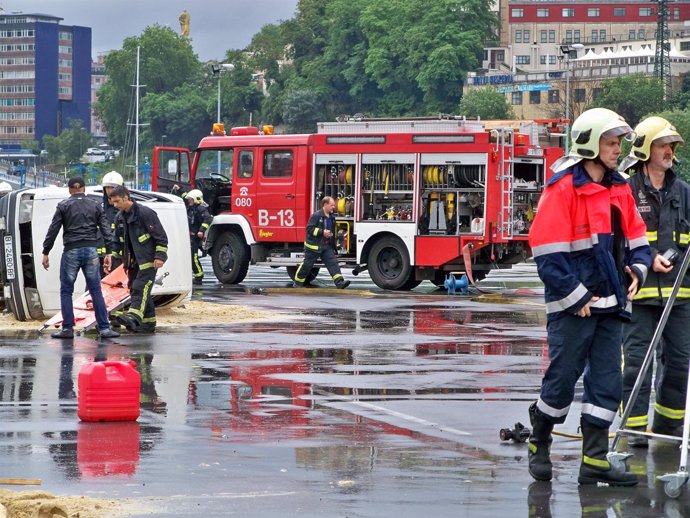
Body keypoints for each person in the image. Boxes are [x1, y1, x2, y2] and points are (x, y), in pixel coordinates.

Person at [526, 108, 651, 486]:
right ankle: (539, 440)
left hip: (611, 306)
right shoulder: (562, 188)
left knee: (606, 384)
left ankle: (594, 460)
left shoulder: (619, 188)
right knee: (562, 380)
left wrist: (638, 269)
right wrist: (576, 294)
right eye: (611, 143)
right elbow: (546, 251)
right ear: (590, 145)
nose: (617, 150)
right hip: (572, 309)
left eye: (617, 143)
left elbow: (638, 239)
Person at [619, 116, 690, 446]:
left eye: (672, 146)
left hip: (679, 294)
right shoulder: (625, 191)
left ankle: (668, 426)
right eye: (663, 145)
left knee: (678, 362)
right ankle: (634, 430)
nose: (669, 151)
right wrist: (648, 257)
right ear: (646, 149)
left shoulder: (683, 192)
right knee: (636, 364)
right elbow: (616, 240)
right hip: (639, 294)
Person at [41, 176, 120, 339]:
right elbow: (106, 230)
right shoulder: (95, 205)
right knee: (95, 290)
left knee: (66, 291)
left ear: (70, 190)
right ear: (84, 189)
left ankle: (67, 328)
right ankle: (104, 328)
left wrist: (46, 251)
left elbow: (53, 230)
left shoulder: (63, 206)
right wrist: (109, 252)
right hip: (91, 250)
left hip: (71, 251)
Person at [108, 185, 168, 333]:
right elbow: (117, 242)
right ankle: (148, 324)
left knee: (140, 287)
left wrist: (160, 256)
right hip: (133, 263)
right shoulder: (120, 218)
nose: (115, 205)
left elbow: (161, 237)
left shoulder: (145, 213)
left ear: (126, 198)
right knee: (138, 290)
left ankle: (134, 317)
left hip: (148, 261)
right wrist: (114, 262)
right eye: (113, 202)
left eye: (117, 201)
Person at [293, 196, 350, 289]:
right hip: (313, 246)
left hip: (326, 246)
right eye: (331, 205)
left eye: (334, 205)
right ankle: (298, 283)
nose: (333, 207)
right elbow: (309, 229)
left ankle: (340, 282)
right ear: (325, 205)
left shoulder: (331, 217)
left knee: (333, 263)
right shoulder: (316, 216)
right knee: (307, 265)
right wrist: (322, 232)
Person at [98, 171, 125, 274]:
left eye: (113, 187)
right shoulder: (99, 208)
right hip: (99, 257)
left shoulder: (125, 209)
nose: (110, 190)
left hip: (119, 257)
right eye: (107, 187)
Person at [185, 189, 213, 284]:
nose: (189, 201)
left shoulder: (201, 209)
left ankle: (199, 277)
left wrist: (201, 231)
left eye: (191, 199)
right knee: (189, 257)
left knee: (193, 257)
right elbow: (184, 198)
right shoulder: (190, 207)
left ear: (196, 199)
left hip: (196, 237)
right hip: (190, 236)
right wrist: (179, 189)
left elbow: (207, 219)